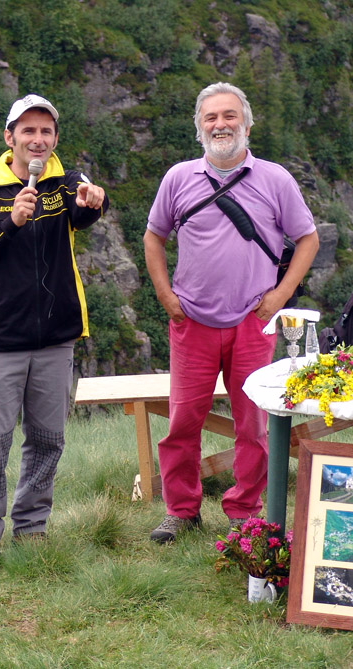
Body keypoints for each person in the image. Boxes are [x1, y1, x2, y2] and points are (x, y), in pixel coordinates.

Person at [144, 82, 319, 543]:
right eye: (211, 118)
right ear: (199, 126)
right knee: (182, 422)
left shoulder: (276, 179)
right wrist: (166, 296)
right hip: (191, 322)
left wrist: (279, 297)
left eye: (229, 116)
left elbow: (308, 239)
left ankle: (245, 510)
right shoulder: (178, 178)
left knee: (253, 423)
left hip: (251, 322)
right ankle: (181, 510)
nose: (220, 125)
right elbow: (153, 237)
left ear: (246, 122)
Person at [0, 94, 109, 579]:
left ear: (55, 138)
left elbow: (84, 212)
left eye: (46, 132)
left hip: (57, 335)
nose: (37, 140)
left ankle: (32, 527)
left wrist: (95, 202)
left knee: (47, 439)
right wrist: (10, 222)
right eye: (28, 131)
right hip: (0, 336)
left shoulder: (67, 180)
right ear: (9, 137)